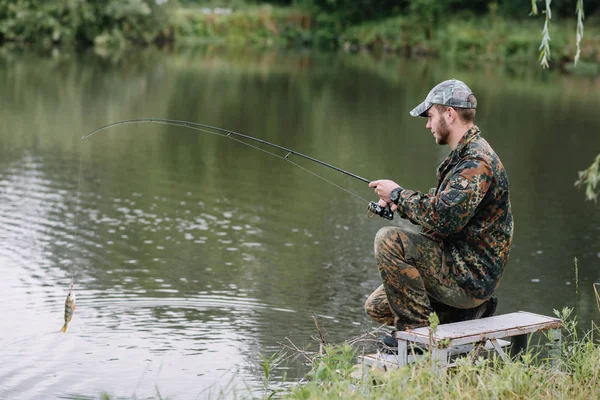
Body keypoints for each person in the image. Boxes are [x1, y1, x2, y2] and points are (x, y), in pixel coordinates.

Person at [365, 79, 514, 348]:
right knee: (378, 306)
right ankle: (461, 315)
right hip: (455, 266)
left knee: (389, 240)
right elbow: (442, 211)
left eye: (430, 116)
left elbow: (444, 217)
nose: (427, 124)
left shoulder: (476, 162)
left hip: (469, 277)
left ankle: (417, 339)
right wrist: (401, 205)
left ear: (449, 114)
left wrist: (398, 193)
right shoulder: (463, 157)